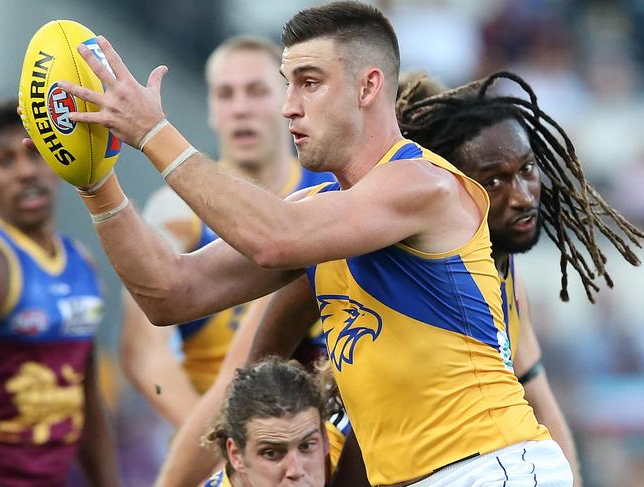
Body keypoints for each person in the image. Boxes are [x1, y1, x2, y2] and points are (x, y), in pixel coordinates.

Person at [53, 1, 580, 485]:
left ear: (368, 87)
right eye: (287, 84)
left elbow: (273, 238)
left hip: (492, 467)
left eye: (308, 82)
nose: (287, 107)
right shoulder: (321, 217)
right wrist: (96, 182)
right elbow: (170, 293)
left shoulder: (423, 184)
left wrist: (153, 130)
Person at [119, 35, 333, 429]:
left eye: (256, 92)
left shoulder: (329, 193)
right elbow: (144, 352)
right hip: (226, 438)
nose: (240, 109)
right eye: (225, 95)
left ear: (288, 102)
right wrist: (216, 442)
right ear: (211, 111)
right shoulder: (175, 209)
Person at [0, 101, 119, 486]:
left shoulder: (82, 263)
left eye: (35, 154)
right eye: (4, 162)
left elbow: (88, 400)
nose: (26, 172)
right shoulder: (0, 266)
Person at [201, 358, 330, 487]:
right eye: (271, 453)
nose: (295, 471)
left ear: (325, 439)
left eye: (306, 446)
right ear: (237, 455)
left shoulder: (343, 450)